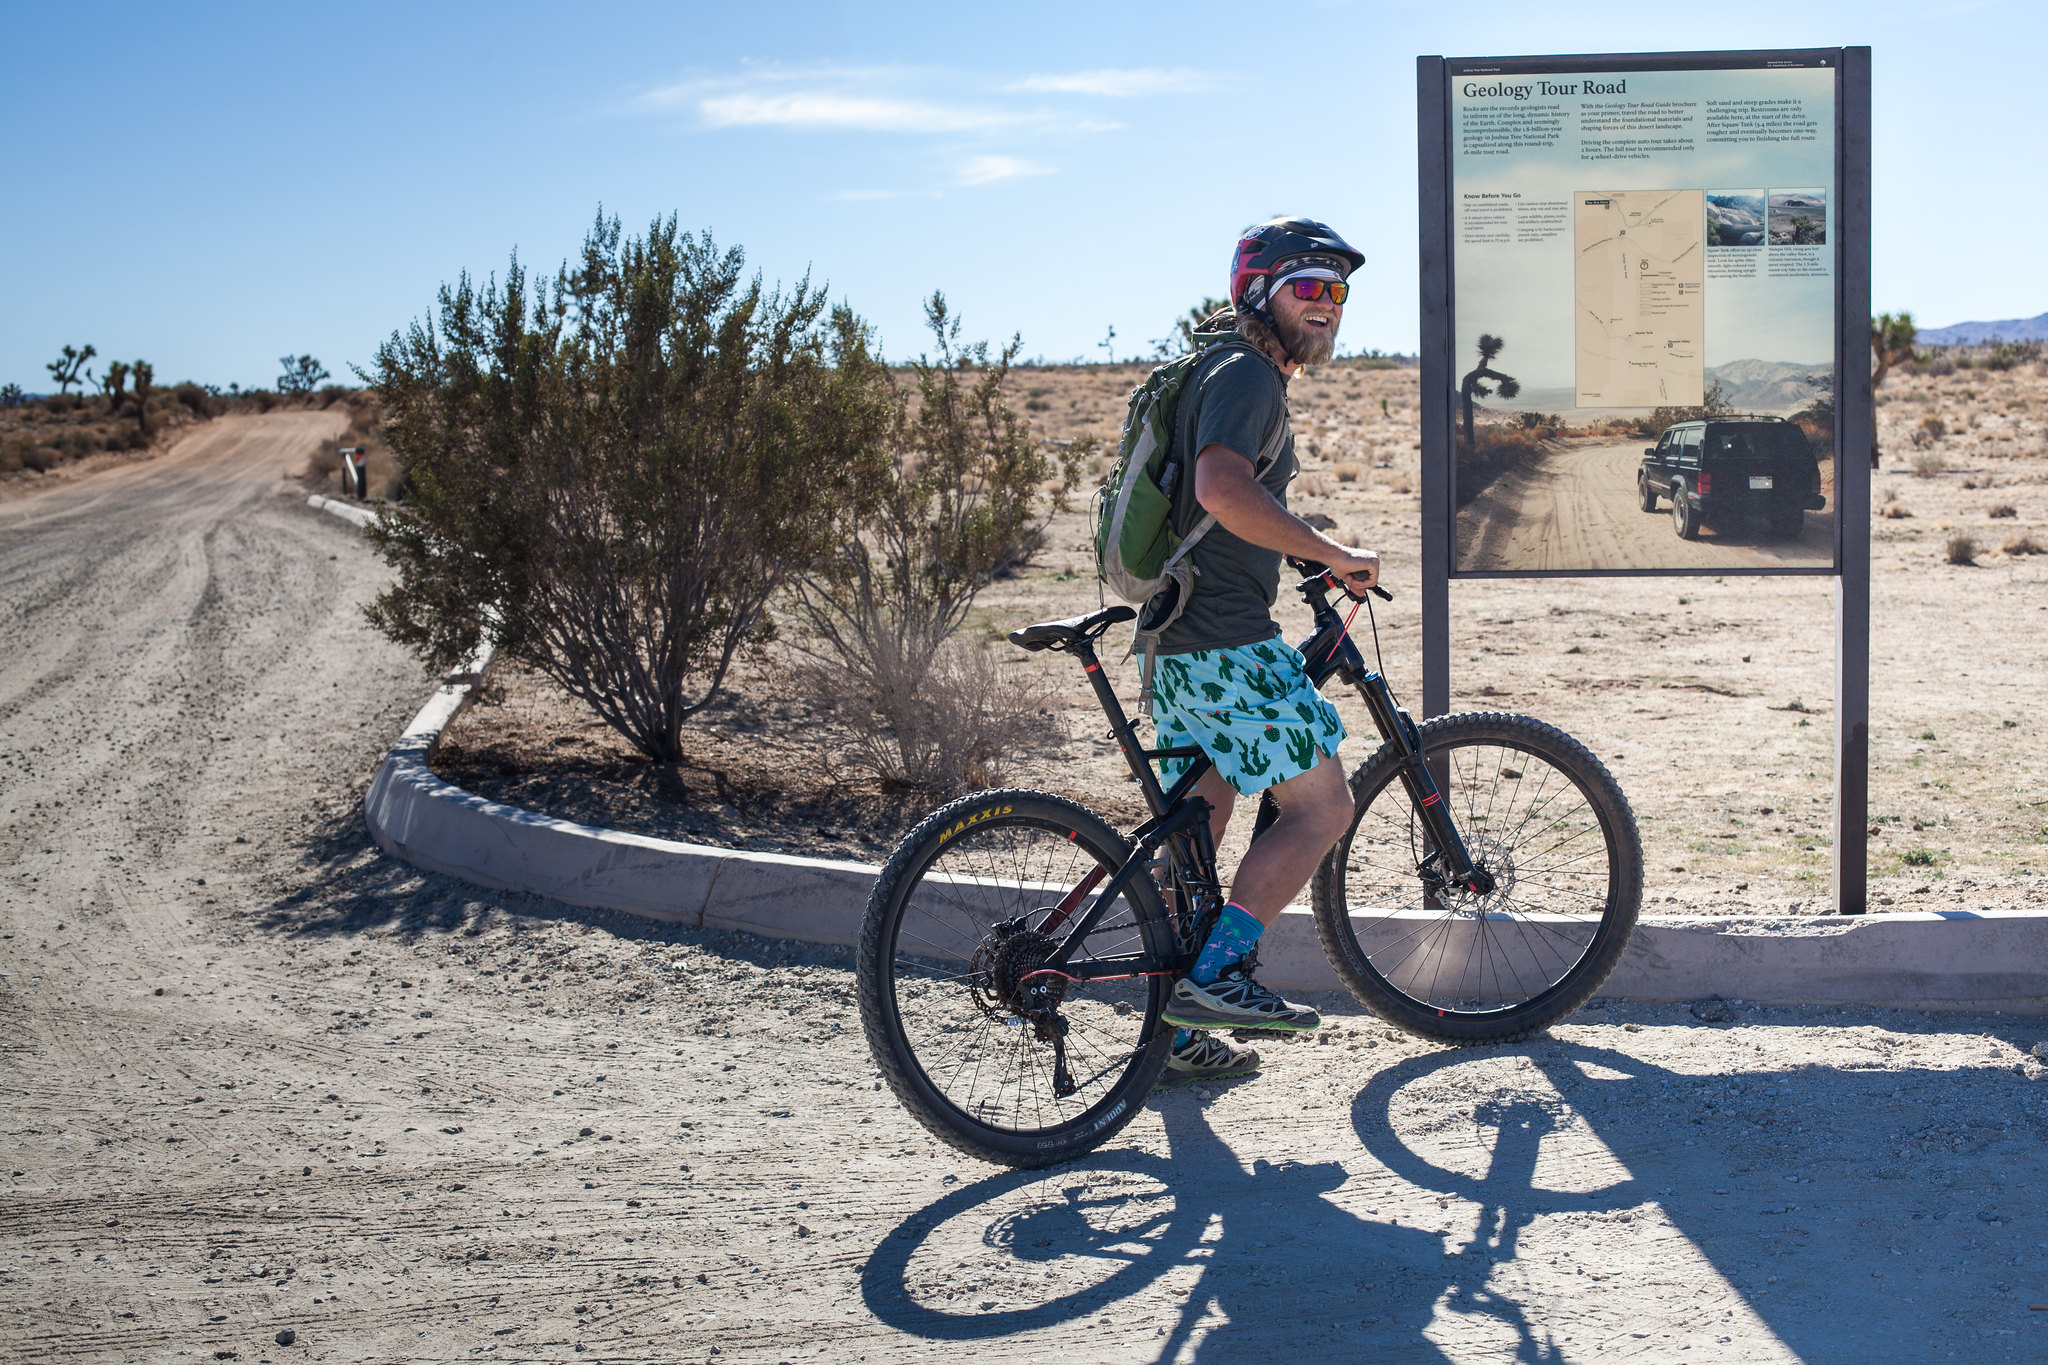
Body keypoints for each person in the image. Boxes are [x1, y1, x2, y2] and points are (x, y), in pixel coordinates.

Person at [1152, 216, 1381, 1088]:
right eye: (1307, 287)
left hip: (1177, 638)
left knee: (1198, 833)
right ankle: (1215, 979)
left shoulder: (1217, 365)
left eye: (1336, 290)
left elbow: (1217, 506)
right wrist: (1329, 550)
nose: (1326, 306)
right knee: (1322, 809)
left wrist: (1296, 551)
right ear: (1260, 291)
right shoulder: (1247, 372)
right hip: (1222, 640)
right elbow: (1221, 487)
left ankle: (1172, 1029)